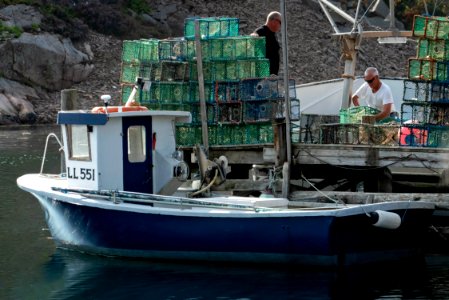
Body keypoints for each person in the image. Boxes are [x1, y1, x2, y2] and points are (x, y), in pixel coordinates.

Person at [251, 11, 282, 76]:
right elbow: (254, 36)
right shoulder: (261, 31)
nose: (280, 26)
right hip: (263, 74)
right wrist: (254, 35)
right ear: (274, 21)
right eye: (280, 23)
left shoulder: (273, 34)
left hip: (272, 75)